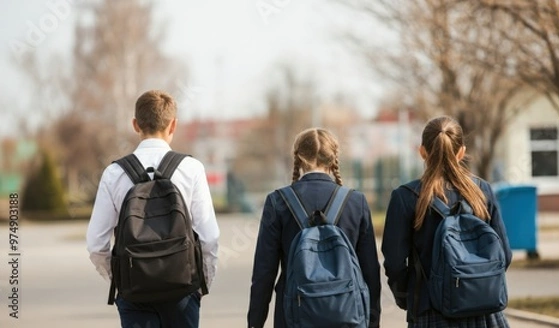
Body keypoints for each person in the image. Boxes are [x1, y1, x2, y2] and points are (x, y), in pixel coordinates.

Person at [86, 90, 220, 328]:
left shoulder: (114, 173)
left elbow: (96, 244)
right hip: (182, 292)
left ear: (135, 124)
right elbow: (209, 238)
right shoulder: (192, 169)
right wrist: (200, 284)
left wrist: (123, 280)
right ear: (173, 125)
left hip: (135, 295)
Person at [381, 116, 512, 327]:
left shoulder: (405, 197)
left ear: (422, 151)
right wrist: (475, 285)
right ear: (461, 152)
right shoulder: (482, 191)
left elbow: (395, 264)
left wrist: (410, 296)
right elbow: (504, 255)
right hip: (482, 313)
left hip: (429, 310)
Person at [247, 128, 381, 328]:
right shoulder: (356, 202)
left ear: (298, 157)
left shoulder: (277, 202)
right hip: (347, 316)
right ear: (333, 158)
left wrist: (255, 323)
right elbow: (370, 271)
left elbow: (263, 273)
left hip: (293, 317)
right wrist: (373, 320)